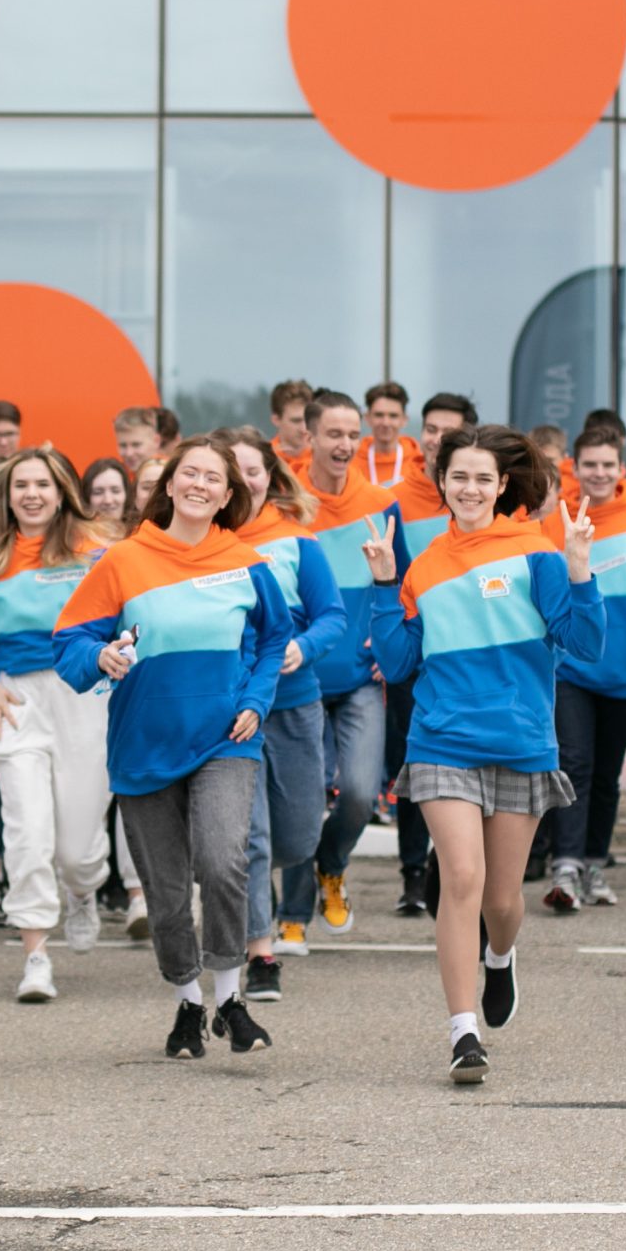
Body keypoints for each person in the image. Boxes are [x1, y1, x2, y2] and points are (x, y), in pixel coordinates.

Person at [57, 436, 289, 1061]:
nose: (200, 485)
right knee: (164, 890)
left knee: (223, 861)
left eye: (213, 478)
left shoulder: (246, 563)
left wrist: (255, 699)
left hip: (225, 739)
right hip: (144, 744)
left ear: (228, 494)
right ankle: (189, 1002)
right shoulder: (123, 560)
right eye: (190, 473)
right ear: (168, 484)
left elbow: (275, 638)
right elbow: (69, 643)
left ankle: (230, 998)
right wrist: (99, 656)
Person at [378, 426, 597, 1084]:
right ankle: (463, 1031)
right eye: (458, 477)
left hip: (521, 743)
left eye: (482, 478)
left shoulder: (538, 554)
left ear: (502, 485)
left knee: (501, 902)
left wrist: (580, 570)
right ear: (441, 483)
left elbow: (585, 644)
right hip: (442, 741)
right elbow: (398, 662)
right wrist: (383, 587)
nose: (469, 488)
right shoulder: (424, 565)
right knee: (462, 878)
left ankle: (500, 957)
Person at [0, 447, 112, 1003]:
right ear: (7, 496)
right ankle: (36, 955)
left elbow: (134, 615)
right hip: (15, 701)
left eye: (42, 484)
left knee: (78, 851)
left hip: (85, 696)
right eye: (21, 486)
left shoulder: (97, 551)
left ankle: (82, 891)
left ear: (62, 493)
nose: (32, 494)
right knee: (27, 832)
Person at [220, 427, 349, 1002]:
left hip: (295, 705)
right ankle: (260, 953)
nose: (242, 481)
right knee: (249, 839)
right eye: (231, 471)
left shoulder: (297, 542)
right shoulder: (202, 542)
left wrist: (303, 646)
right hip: (230, 712)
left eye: (252, 470)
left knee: (296, 838)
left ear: (269, 477)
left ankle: (276, 885)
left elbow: (332, 616)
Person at [286, 390, 411, 935]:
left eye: (351, 434)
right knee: (303, 798)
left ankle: (331, 866)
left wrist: (391, 642)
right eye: (333, 434)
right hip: (300, 678)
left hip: (361, 680)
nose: (344, 444)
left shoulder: (380, 504)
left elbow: (404, 583)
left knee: (361, 793)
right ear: (308, 436)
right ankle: (291, 917)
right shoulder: (286, 505)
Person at [539, 426, 626, 913]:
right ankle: (565, 866)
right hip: (570, 669)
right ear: (574, 468)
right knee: (574, 764)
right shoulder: (554, 523)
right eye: (589, 464)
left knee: (607, 775)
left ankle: (594, 863)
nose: (598, 473)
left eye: (607, 465)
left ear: (622, 470)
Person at [357, 382, 415, 492]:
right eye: (379, 415)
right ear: (367, 418)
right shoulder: (350, 462)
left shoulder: (419, 463)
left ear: (404, 420)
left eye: (393, 416)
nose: (386, 423)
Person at [267, 380, 316, 472]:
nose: (304, 429)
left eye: (308, 420)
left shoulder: (325, 459)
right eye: (296, 421)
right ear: (276, 420)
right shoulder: (264, 460)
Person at [80, 458, 132, 534]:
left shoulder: (141, 535)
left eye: (115, 491)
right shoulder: (75, 538)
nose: (108, 501)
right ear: (86, 497)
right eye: (98, 492)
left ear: (127, 494)